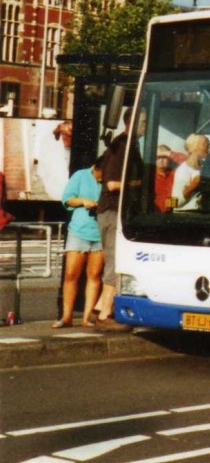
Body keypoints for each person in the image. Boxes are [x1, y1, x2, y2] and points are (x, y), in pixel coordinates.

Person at [94, 109, 138, 332]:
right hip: (112, 210)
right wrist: (139, 185)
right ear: (133, 121)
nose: (146, 126)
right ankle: (104, 314)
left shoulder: (123, 144)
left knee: (114, 257)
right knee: (115, 259)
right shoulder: (123, 146)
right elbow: (111, 183)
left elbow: (96, 171)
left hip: (111, 211)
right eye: (144, 121)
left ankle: (100, 305)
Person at [54, 162, 104, 329]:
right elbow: (67, 198)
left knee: (95, 275)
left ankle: (87, 317)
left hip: (100, 233)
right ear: (95, 168)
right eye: (99, 176)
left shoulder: (109, 178)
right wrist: (83, 201)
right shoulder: (80, 175)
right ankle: (66, 317)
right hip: (79, 231)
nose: (101, 179)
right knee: (71, 274)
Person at [172, 133, 210, 211]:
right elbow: (175, 203)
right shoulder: (183, 170)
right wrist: (193, 185)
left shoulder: (204, 168)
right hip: (185, 216)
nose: (209, 149)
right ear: (194, 147)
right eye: (206, 146)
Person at [153, 145, 177, 212]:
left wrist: (169, 153)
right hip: (153, 215)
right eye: (158, 157)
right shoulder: (149, 175)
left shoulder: (174, 174)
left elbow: (188, 162)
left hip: (170, 215)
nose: (161, 160)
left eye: (164, 157)